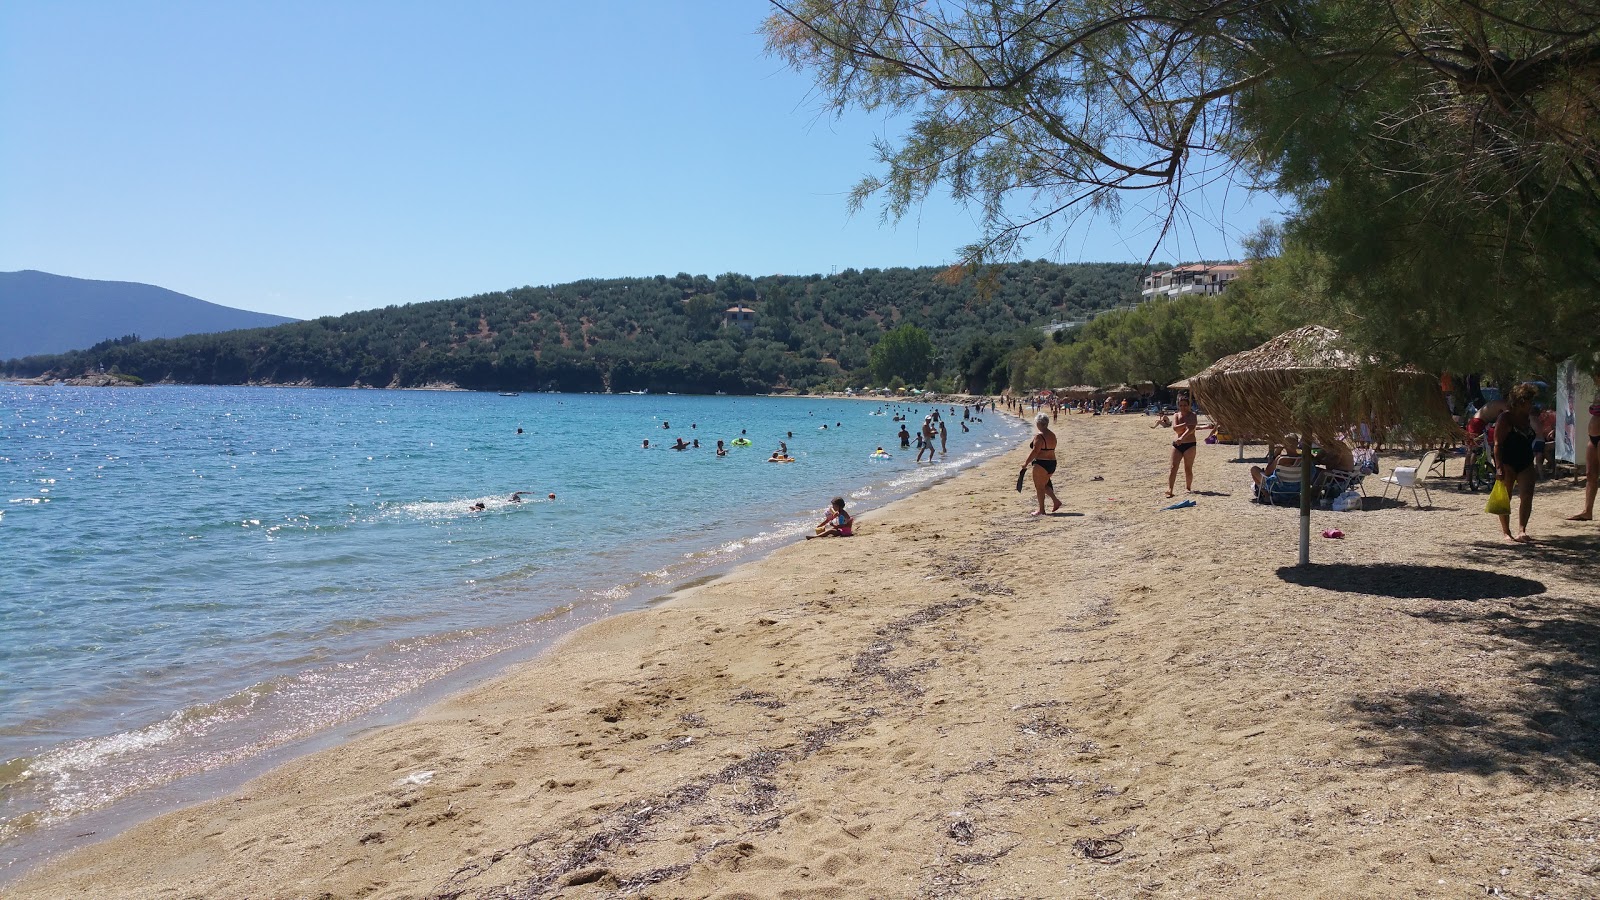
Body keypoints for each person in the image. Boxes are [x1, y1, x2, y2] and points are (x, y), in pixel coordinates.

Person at [1493, 382, 1541, 543]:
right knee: (1505, 497)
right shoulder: (1505, 418)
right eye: (1529, 401)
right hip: (1508, 461)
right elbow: (1498, 444)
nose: (1532, 405)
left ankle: (1522, 530)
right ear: (1521, 401)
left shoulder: (1529, 418)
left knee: (1527, 495)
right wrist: (1498, 467)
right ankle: (1506, 532)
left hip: (1526, 460)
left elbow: (1538, 435)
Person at [1165, 396, 1215, 497]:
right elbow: (1175, 428)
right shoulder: (1176, 415)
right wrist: (1185, 424)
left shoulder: (1193, 415)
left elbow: (1191, 429)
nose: (1183, 407)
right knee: (1173, 467)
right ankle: (1170, 489)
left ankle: (1188, 487)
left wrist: (1182, 437)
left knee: (1188, 468)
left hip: (1190, 444)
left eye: (1185, 405)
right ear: (1178, 405)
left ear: (1189, 405)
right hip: (1177, 445)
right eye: (1181, 405)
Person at [1568, 376, 1600, 521]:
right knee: (1590, 474)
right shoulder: (1597, 392)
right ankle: (1587, 511)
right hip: (1593, 438)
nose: (1594, 378)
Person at [1024, 413, 1062, 516]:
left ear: (1038, 423)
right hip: (1052, 462)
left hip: (1041, 463)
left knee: (1039, 487)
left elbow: (1035, 451)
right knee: (1044, 484)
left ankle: (1041, 510)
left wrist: (1026, 463)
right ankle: (1056, 501)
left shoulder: (1039, 436)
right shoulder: (1052, 435)